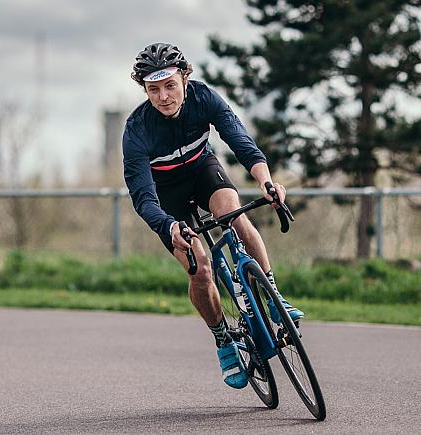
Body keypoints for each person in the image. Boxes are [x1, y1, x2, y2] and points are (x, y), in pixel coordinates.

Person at [122, 42, 304, 389]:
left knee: (235, 214)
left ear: (185, 78)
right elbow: (143, 197)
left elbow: (240, 140)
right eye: (153, 89)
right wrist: (169, 226)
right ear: (145, 90)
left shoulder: (204, 97)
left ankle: (273, 297)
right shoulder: (137, 129)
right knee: (201, 268)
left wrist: (266, 182)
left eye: (170, 85)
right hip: (166, 197)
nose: (163, 96)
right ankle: (223, 340)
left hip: (202, 171)